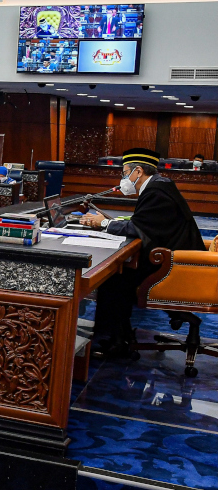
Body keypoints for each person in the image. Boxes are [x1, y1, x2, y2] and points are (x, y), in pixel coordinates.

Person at [79, 147, 205, 358]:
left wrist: (104, 224)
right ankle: (120, 336)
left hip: (176, 266)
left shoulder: (156, 192)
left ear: (138, 171)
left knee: (114, 277)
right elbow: (145, 224)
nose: (123, 177)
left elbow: (139, 229)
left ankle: (115, 342)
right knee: (119, 273)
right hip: (174, 258)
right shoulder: (159, 186)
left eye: (125, 172)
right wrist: (112, 222)